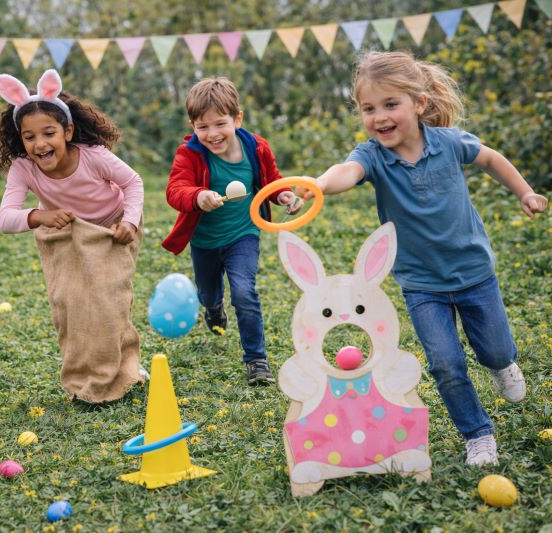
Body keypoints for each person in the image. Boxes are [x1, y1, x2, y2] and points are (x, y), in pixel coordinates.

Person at [301, 51, 548, 465]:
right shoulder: (372, 156)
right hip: (421, 284)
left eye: (390, 104)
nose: (379, 116)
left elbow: (490, 158)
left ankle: (503, 365)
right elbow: (345, 171)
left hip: (473, 272)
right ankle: (477, 434)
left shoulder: (449, 143)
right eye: (368, 108)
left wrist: (523, 191)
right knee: (445, 364)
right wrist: (319, 185)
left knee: (496, 350)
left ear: (419, 103)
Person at [0, 69, 145, 404]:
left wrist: (130, 223)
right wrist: (40, 215)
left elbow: (133, 183)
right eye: (29, 137)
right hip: (66, 233)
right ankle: (81, 379)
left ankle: (126, 370)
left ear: (68, 130)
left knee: (109, 302)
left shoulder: (92, 156)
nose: (39, 144)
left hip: (112, 228)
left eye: (49, 133)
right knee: (70, 303)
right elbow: (5, 218)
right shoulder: (23, 167)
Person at [162, 77, 302, 386]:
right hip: (205, 241)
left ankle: (257, 360)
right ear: (192, 125)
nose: (212, 134)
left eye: (219, 124)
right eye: (202, 127)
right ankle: (213, 308)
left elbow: (270, 181)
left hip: (244, 234)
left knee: (244, 292)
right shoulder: (189, 154)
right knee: (208, 292)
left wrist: (283, 195)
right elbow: (175, 190)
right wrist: (197, 196)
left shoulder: (256, 146)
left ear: (237, 118)